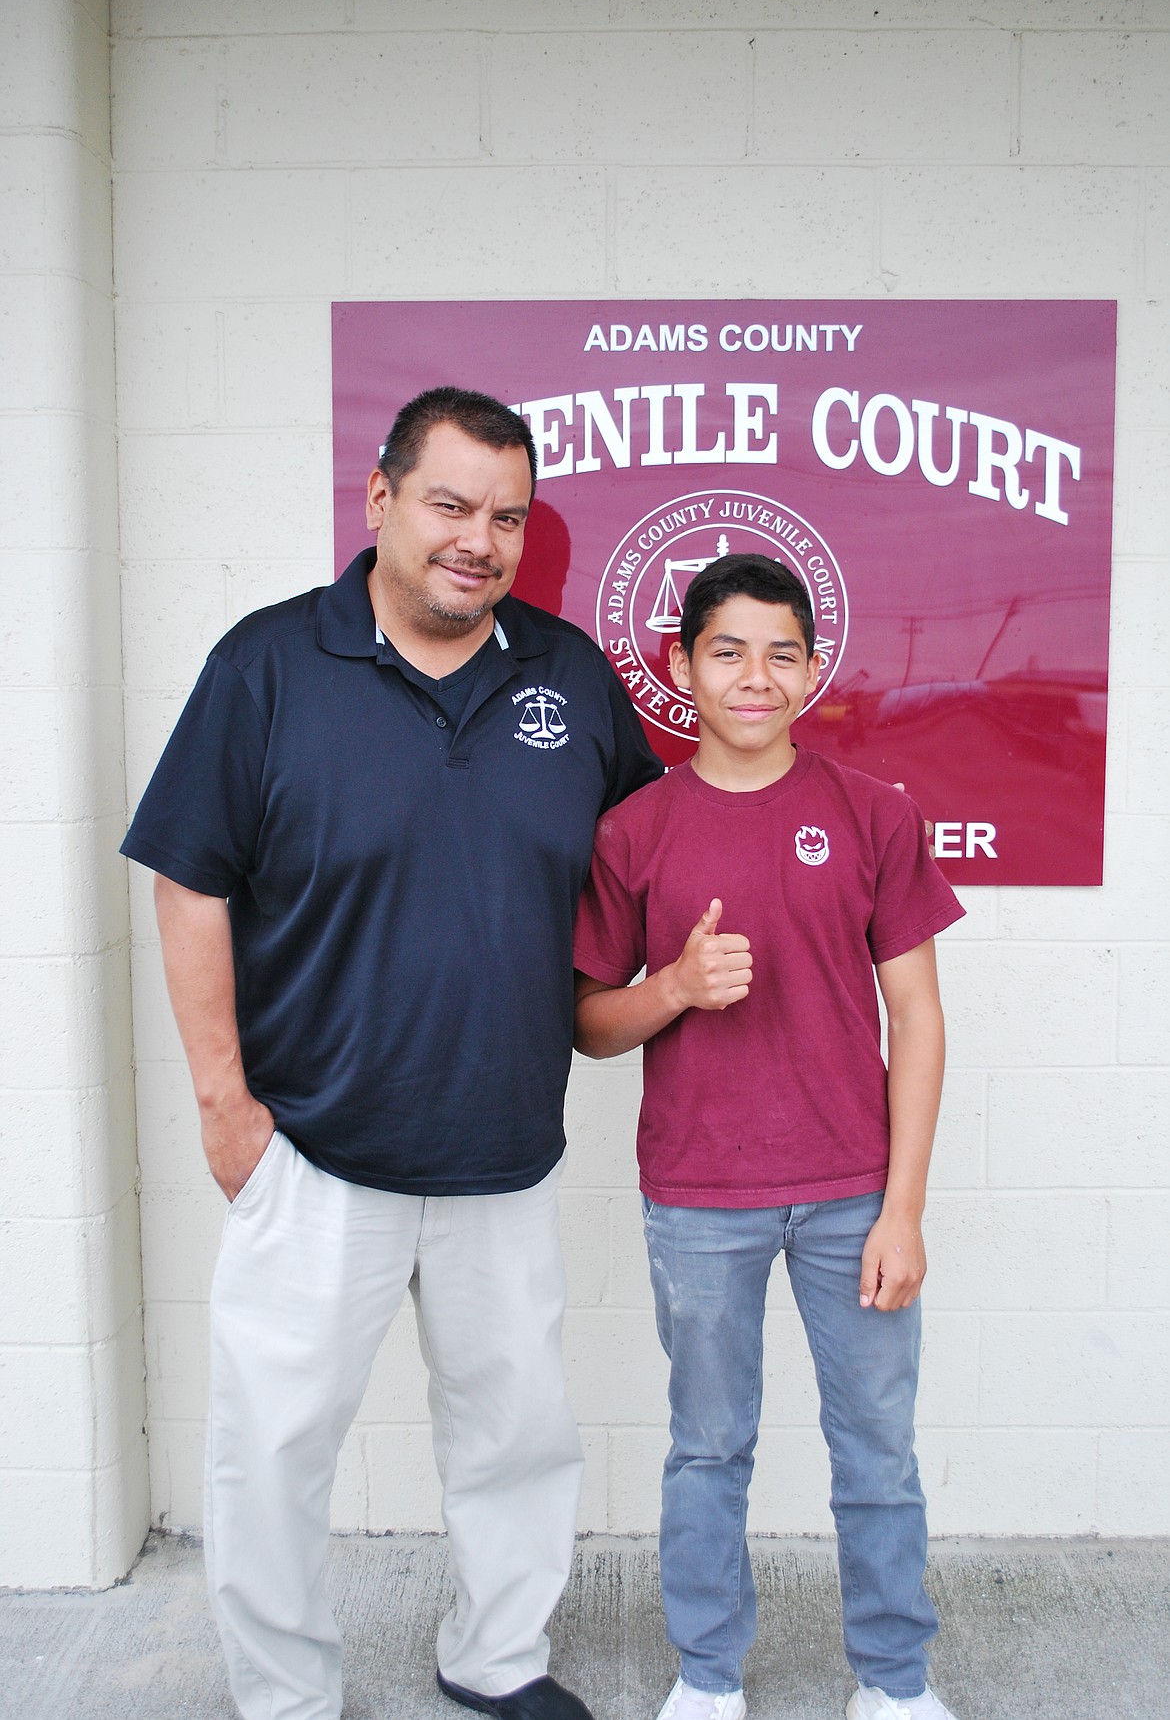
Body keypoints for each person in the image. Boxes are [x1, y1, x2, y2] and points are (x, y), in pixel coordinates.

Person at [120, 386, 662, 1720]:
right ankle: (286, 1694)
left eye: (508, 516)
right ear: (379, 499)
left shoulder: (569, 676)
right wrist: (223, 1103)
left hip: (501, 1146)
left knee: (516, 1437)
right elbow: (188, 882)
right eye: (450, 503)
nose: (478, 538)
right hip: (310, 1146)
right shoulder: (266, 665)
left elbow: (656, 851)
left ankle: (495, 1659)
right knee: (273, 1450)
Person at [572, 553, 966, 1720]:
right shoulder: (634, 831)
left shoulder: (871, 812)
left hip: (854, 1196)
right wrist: (676, 987)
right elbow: (590, 1026)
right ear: (683, 665)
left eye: (780, 653)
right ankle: (707, 1676)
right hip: (698, 1196)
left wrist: (904, 1208)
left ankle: (894, 1682)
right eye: (728, 651)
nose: (755, 676)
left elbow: (921, 1015)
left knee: (878, 1456)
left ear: (810, 669)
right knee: (707, 1448)